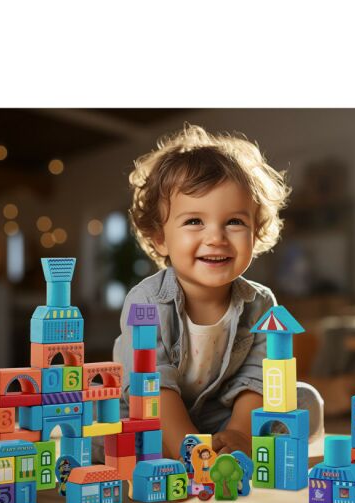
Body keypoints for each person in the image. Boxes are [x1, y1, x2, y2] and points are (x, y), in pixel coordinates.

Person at [112, 124, 324, 459]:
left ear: (256, 232)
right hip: (150, 414)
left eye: (235, 222)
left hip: (217, 415)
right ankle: (177, 450)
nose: (216, 238)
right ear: (160, 238)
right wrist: (190, 448)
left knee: (304, 400)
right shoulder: (147, 301)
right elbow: (152, 384)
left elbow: (257, 378)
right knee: (109, 430)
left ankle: (229, 444)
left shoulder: (261, 304)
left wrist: (238, 432)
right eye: (194, 221)